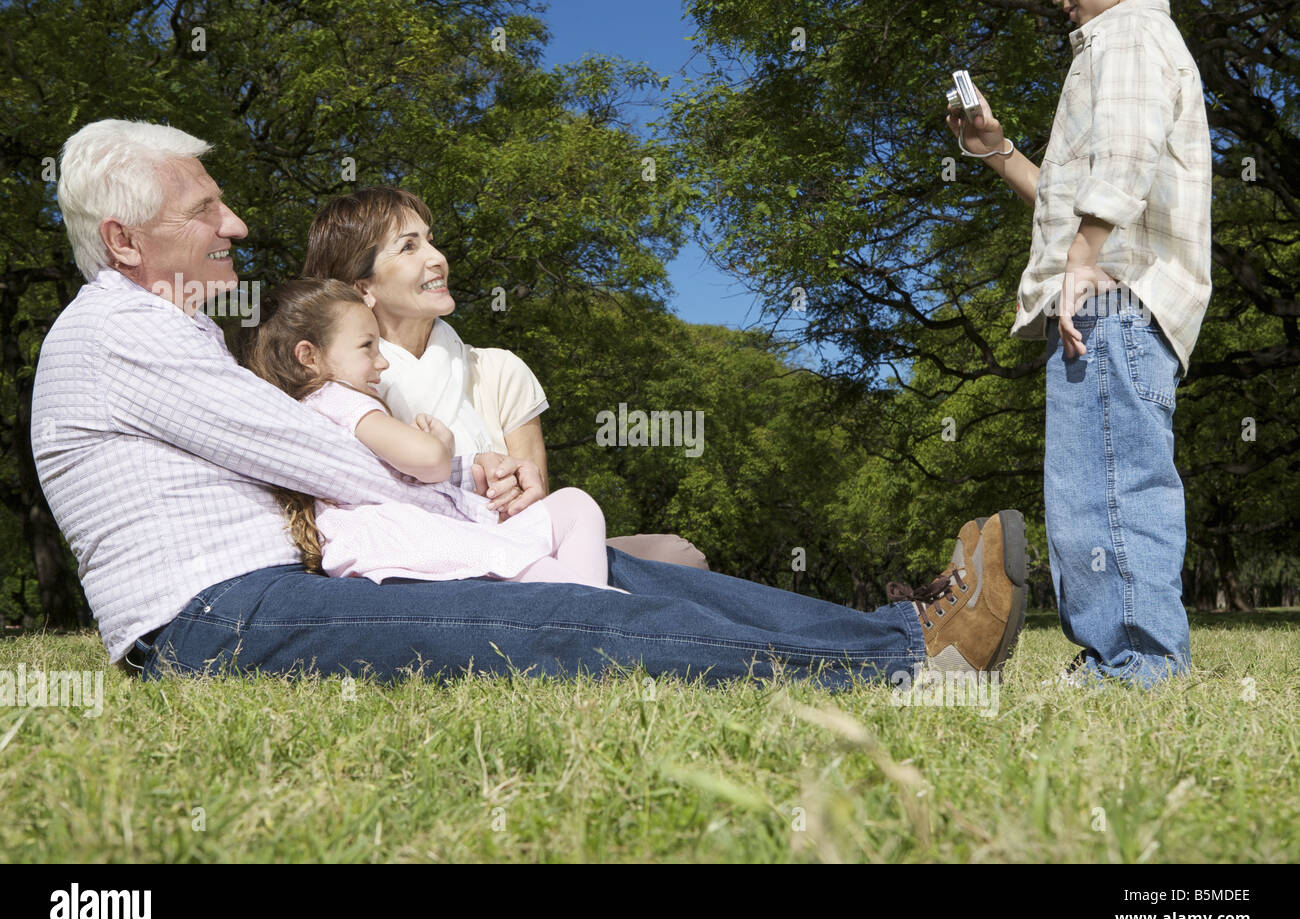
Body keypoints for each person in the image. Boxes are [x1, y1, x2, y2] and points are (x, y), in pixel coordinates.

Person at [31, 117, 1027, 689]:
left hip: (268, 589)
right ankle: (901, 658)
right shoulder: (117, 332)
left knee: (615, 567)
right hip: (214, 618)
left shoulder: (166, 331)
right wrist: (462, 479)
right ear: (126, 240)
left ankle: (910, 634)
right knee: (543, 618)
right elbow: (315, 453)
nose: (234, 220)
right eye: (204, 206)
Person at [948, 0, 1211, 686]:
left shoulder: (1125, 30)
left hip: (1111, 300)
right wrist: (996, 152)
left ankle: (1137, 663)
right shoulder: (1136, 39)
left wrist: (1085, 259)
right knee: (1105, 484)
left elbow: (1125, 156)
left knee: (1106, 493)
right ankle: (1131, 657)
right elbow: (1081, 194)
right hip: (1118, 297)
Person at [300, 187, 710, 570]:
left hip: (515, 550)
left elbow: (535, 509)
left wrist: (515, 487)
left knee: (675, 556)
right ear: (361, 287)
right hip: (407, 563)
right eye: (409, 247)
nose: (437, 257)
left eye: (430, 239)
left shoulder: (499, 370)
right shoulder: (333, 389)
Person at [242, 277, 619, 590]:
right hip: (406, 537)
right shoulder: (338, 399)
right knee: (534, 558)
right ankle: (602, 610)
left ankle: (594, 602)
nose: (382, 361)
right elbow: (428, 462)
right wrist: (441, 444)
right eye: (366, 347)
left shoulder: (320, 406)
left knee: (572, 506)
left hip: (414, 534)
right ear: (309, 356)